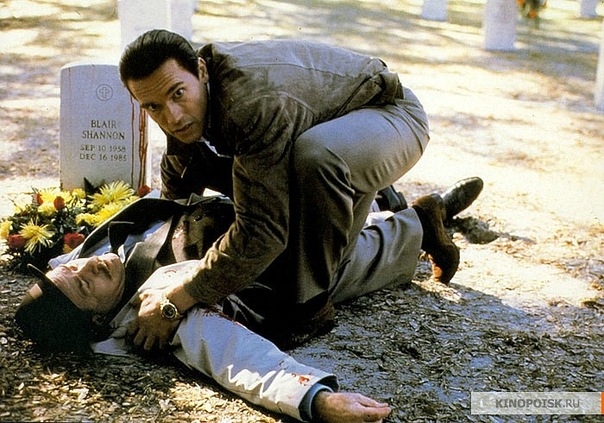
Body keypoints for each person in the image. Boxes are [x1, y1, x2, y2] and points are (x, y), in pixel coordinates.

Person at [118, 30, 481, 351]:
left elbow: (263, 232)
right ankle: (419, 223)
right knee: (301, 255)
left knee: (300, 255)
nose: (172, 117)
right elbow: (179, 180)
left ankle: (310, 307)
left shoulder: (249, 102)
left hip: (386, 116)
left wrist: (176, 300)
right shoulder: (182, 101)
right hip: (325, 132)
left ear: (201, 70)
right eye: (153, 107)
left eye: (178, 94)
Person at [15, 183, 480, 423]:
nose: (87, 268)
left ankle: (388, 202)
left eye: (73, 268)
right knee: (366, 249)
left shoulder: (87, 259)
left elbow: (62, 267)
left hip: (254, 217)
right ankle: (423, 220)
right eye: (83, 286)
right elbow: (232, 357)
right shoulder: (154, 314)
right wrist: (315, 400)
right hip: (284, 266)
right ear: (98, 319)